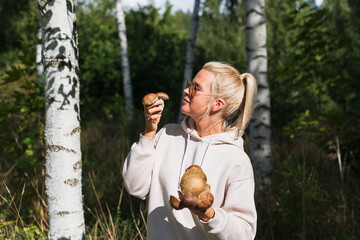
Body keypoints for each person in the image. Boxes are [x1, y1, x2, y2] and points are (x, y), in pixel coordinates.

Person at [122, 61, 258, 239]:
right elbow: (135, 186)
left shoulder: (235, 159)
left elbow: (244, 233)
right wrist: (149, 132)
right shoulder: (167, 135)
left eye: (196, 88)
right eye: (189, 85)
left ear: (217, 104)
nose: (186, 90)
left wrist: (208, 214)